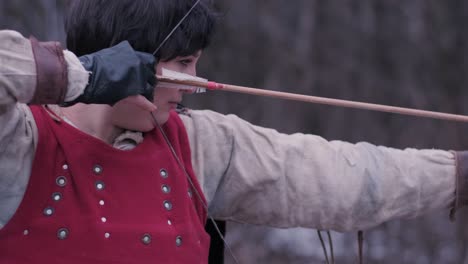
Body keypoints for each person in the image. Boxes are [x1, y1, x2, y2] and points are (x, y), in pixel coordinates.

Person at [0, 0, 466, 263]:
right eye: (184, 64)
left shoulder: (202, 146)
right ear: (126, 58)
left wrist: (458, 174)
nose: (195, 83)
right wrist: (82, 77)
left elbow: (342, 178)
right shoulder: (18, 143)